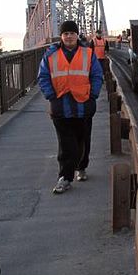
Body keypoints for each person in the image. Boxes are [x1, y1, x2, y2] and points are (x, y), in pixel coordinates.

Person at [37, 20, 103, 194]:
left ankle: (81, 167)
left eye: (71, 33)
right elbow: (43, 76)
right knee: (67, 144)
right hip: (60, 106)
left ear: (76, 35)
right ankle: (65, 177)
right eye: (65, 33)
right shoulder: (50, 54)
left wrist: (93, 95)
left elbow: (97, 75)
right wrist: (51, 95)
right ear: (61, 36)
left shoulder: (88, 53)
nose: (68, 36)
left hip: (83, 105)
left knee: (82, 140)